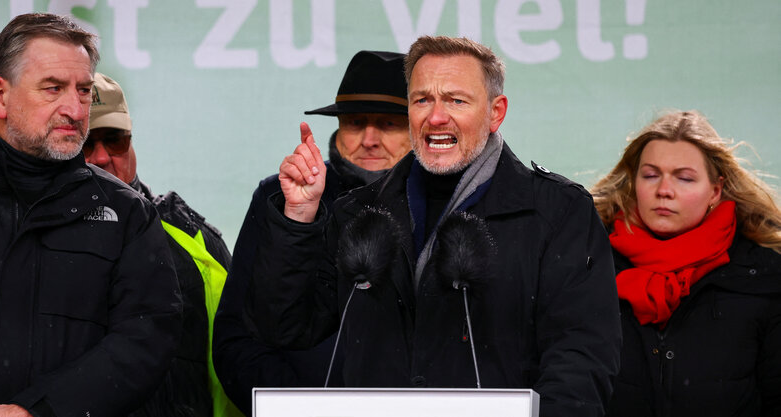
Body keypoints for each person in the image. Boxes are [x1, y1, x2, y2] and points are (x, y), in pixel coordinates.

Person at [243, 36, 621, 417]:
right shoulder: (357, 211)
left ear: (495, 112)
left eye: (456, 100)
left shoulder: (558, 212)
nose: (436, 117)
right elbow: (285, 326)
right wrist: (299, 216)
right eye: (422, 99)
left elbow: (581, 356)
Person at [0, 13, 181, 417]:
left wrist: (42, 410)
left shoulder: (126, 213)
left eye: (84, 90)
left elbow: (146, 337)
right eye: (53, 89)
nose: (75, 108)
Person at [212, 50, 411, 415]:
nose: (369, 138)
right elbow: (237, 338)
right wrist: (303, 408)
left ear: (418, 128)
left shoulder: (442, 201)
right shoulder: (279, 197)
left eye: (388, 124)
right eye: (355, 122)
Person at [590, 110, 781, 416]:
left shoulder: (764, 275)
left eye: (684, 178)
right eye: (650, 175)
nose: (664, 190)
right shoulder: (588, 265)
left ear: (715, 191)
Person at [85, 73, 238, 417]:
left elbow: (232, 364)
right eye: (84, 143)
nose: (101, 157)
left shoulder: (193, 238)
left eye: (115, 140)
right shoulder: (26, 236)